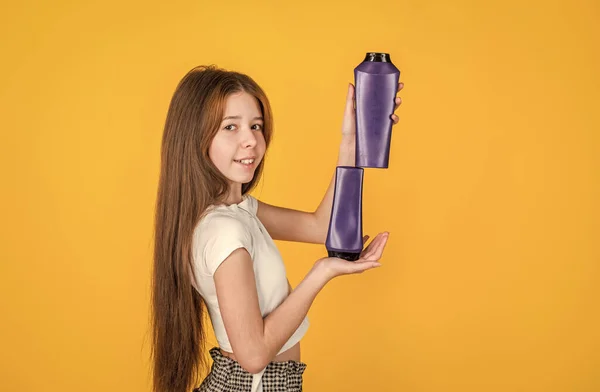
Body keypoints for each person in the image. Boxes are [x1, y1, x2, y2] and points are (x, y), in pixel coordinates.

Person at [151, 65, 404, 392]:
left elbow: (321, 226)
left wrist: (352, 142)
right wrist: (321, 272)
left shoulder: (237, 211)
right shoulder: (224, 231)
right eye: (230, 127)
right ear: (195, 138)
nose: (251, 141)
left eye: (256, 126)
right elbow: (254, 355)